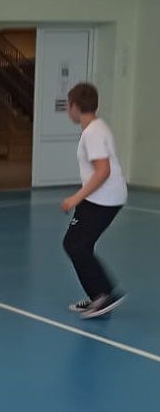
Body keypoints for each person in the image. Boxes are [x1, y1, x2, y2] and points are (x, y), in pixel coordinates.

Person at [61, 83, 127, 319]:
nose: (67, 110)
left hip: (103, 198)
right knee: (80, 244)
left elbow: (103, 171)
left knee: (74, 244)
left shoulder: (93, 133)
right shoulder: (96, 128)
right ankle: (99, 295)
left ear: (75, 106)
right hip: (102, 196)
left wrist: (75, 198)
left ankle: (103, 295)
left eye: (68, 105)